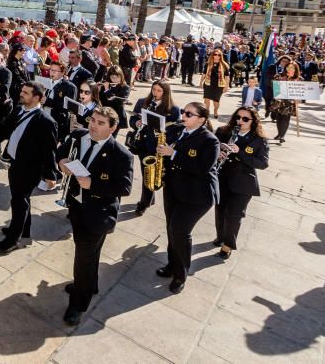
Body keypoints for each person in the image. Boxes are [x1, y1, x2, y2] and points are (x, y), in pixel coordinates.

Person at [57, 107, 134, 325]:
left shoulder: (122, 154)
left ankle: (78, 305)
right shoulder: (79, 136)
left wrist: (94, 185)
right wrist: (61, 162)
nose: (93, 125)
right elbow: (61, 152)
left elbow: (125, 188)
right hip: (76, 206)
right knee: (88, 254)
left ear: (113, 128)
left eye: (101, 123)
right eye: (93, 120)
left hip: (98, 215)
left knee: (83, 259)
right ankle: (91, 283)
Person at [154, 102, 220, 293]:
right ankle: (171, 264)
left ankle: (180, 275)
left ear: (201, 119)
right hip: (174, 188)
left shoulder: (209, 140)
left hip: (197, 194)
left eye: (189, 114)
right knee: (171, 228)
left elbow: (202, 167)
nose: (184, 115)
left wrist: (173, 153)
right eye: (184, 112)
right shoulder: (176, 131)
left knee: (180, 231)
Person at [0, 81, 58, 253]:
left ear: (37, 98)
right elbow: (6, 129)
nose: (21, 94)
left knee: (19, 200)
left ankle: (13, 238)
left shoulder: (46, 121)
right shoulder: (19, 109)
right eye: (22, 91)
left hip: (30, 168)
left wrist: (51, 175)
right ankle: (24, 228)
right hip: (15, 161)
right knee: (20, 198)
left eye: (26, 93)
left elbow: (49, 151)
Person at [214, 107, 269, 260]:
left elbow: (263, 163)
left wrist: (240, 152)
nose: (240, 121)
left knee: (234, 215)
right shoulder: (223, 131)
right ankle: (220, 236)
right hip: (222, 178)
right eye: (238, 117)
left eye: (245, 119)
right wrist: (218, 153)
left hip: (243, 183)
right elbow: (210, 146)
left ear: (253, 121)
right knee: (220, 210)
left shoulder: (259, 139)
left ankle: (228, 245)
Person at [129, 80, 180, 216]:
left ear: (165, 93)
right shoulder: (142, 102)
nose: (155, 93)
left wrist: (164, 139)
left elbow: (176, 132)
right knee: (147, 174)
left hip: (159, 147)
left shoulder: (173, 110)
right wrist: (136, 123)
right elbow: (132, 120)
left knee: (153, 175)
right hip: (143, 145)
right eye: (154, 89)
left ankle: (146, 201)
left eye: (159, 91)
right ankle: (146, 201)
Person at [269, 59, 301, 143]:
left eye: (293, 68)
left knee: (286, 118)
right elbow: (274, 87)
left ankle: (282, 135)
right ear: (286, 68)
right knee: (279, 118)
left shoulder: (298, 79)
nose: (290, 69)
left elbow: (301, 91)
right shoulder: (278, 76)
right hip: (279, 101)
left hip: (290, 102)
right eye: (289, 67)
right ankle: (279, 133)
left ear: (295, 69)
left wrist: (298, 100)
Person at [45, 61, 77, 142]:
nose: (52, 72)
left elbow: (68, 107)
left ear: (63, 73)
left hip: (57, 121)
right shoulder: (45, 81)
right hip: (43, 117)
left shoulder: (69, 87)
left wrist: (48, 101)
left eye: (55, 71)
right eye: (51, 70)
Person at [200, 47, 230, 118]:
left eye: (219, 55)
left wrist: (226, 86)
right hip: (208, 84)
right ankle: (207, 112)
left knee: (216, 101)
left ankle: (215, 110)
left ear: (221, 56)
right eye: (215, 54)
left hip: (219, 85)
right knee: (206, 99)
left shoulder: (224, 65)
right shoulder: (208, 64)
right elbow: (204, 74)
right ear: (212, 55)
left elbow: (227, 77)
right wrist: (201, 82)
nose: (217, 56)